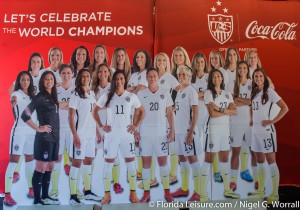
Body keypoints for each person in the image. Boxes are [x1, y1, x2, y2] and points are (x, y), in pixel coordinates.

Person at [92, 70, 145, 204]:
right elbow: (94, 110)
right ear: (114, 81)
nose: (119, 81)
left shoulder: (131, 96)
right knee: (108, 165)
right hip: (111, 136)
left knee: (131, 165)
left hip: (127, 135)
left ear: (124, 80)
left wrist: (136, 125)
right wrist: (101, 125)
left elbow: (141, 111)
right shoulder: (107, 96)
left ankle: (133, 194)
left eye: (121, 78)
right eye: (116, 79)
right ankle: (107, 195)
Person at [248, 68, 288, 204]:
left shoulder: (269, 92)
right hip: (255, 132)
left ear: (264, 78)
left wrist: (272, 121)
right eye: (256, 76)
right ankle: (260, 191)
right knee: (259, 160)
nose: (258, 78)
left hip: (267, 132)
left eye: (260, 76)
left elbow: (285, 108)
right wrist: (252, 119)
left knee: (271, 161)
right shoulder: (253, 92)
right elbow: (252, 108)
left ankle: (275, 194)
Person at [21, 71, 60, 205]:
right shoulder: (40, 96)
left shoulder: (53, 96)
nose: (49, 81)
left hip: (55, 138)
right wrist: (38, 128)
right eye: (46, 79)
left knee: (50, 167)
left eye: (51, 79)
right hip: (44, 139)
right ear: (42, 82)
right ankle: (37, 200)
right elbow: (25, 114)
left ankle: (45, 196)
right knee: (41, 168)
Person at [136, 68, 174, 202]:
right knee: (146, 163)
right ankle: (146, 193)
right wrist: (135, 131)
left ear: (158, 77)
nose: (152, 78)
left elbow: (169, 112)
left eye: (154, 76)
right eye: (150, 76)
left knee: (163, 162)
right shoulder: (141, 94)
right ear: (146, 78)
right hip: (145, 133)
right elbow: (137, 113)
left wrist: (172, 130)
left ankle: (167, 192)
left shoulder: (164, 92)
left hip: (161, 134)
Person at [201, 69, 240, 201]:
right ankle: (202, 194)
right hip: (213, 130)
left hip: (225, 130)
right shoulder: (208, 93)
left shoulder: (227, 94)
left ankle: (227, 190)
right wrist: (227, 111)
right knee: (208, 160)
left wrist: (221, 109)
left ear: (222, 78)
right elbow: (212, 114)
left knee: (224, 159)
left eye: (218, 76)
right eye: (213, 77)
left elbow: (235, 112)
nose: (216, 78)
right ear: (211, 80)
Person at [8, 52, 45, 184]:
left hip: (36, 118)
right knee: (19, 147)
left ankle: (31, 185)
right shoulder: (25, 76)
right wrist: (15, 108)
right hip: (23, 120)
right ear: (30, 63)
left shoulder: (43, 75)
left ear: (41, 64)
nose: (35, 64)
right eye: (33, 61)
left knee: (30, 152)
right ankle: (15, 172)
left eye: (38, 62)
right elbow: (11, 91)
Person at [68, 69, 101, 205]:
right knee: (76, 164)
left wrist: (97, 132)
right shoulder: (76, 94)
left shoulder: (92, 94)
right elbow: (70, 116)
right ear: (79, 78)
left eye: (88, 76)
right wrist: (75, 135)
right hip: (80, 135)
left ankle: (87, 192)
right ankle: (73, 196)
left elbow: (92, 115)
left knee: (88, 162)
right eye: (83, 76)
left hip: (90, 135)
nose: (86, 78)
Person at [4, 71, 36, 206]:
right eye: (23, 80)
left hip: (31, 133)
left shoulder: (32, 96)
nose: (25, 82)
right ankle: (7, 195)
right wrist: (13, 100)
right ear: (19, 81)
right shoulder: (17, 94)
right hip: (19, 133)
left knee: (30, 161)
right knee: (13, 162)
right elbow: (13, 98)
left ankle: (31, 188)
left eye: (27, 80)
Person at [170, 65, 201, 201]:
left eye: (184, 74)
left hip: (188, 132)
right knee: (182, 159)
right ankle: (184, 188)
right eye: (180, 74)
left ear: (189, 76)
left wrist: (191, 131)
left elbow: (195, 112)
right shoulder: (179, 91)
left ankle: (198, 192)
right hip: (179, 131)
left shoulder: (191, 91)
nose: (181, 76)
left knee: (192, 159)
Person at [91, 63, 124, 194]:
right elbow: (91, 111)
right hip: (97, 127)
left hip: (111, 127)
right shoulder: (93, 89)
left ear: (109, 73)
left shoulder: (114, 88)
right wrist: (96, 129)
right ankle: (88, 185)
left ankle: (116, 182)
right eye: (101, 71)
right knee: (91, 156)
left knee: (114, 156)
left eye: (106, 71)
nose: (103, 73)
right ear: (97, 74)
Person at [49, 64, 74, 200]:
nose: (66, 75)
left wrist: (61, 105)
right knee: (57, 159)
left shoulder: (76, 90)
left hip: (72, 129)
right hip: (58, 128)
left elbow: (77, 106)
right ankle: (54, 190)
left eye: (68, 73)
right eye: (63, 73)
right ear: (59, 74)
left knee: (73, 159)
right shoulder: (54, 89)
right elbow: (53, 106)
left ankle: (73, 191)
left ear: (72, 74)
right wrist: (70, 104)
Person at [229, 61, 255, 191]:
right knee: (235, 152)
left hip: (249, 122)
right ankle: (233, 181)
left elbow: (252, 101)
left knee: (253, 151)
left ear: (247, 69)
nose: (242, 70)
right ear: (237, 70)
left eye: (244, 68)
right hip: (236, 122)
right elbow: (231, 103)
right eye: (240, 68)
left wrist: (239, 99)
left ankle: (257, 178)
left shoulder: (252, 83)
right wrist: (242, 101)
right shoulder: (232, 84)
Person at [208, 50, 229, 182]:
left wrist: (223, 109)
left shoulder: (224, 72)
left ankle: (223, 173)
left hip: (223, 112)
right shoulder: (209, 73)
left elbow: (224, 90)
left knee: (223, 148)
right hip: (211, 113)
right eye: (212, 58)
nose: (214, 60)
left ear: (220, 59)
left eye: (216, 58)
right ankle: (215, 172)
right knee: (213, 146)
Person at [191, 52, 209, 159]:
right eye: (197, 62)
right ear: (194, 64)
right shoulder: (190, 78)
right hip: (195, 114)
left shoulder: (209, 76)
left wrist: (196, 96)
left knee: (207, 144)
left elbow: (211, 94)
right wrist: (204, 95)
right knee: (195, 143)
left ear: (205, 63)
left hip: (207, 114)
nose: (199, 64)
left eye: (202, 62)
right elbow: (189, 96)